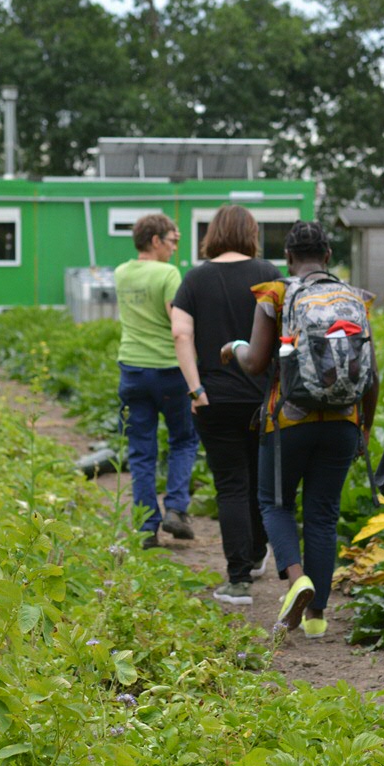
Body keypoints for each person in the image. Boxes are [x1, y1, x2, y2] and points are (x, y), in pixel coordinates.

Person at [221, 221, 377, 639]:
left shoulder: (276, 293)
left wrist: (233, 348)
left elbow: (255, 362)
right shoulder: (355, 299)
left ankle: (297, 581)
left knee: (275, 504)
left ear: (288, 258)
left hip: (288, 418)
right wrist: (363, 429)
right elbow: (372, 375)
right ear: (327, 256)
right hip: (344, 421)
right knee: (323, 516)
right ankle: (317, 617)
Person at [170, 205, 280, 605]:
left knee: (231, 484)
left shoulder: (196, 278)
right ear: (251, 232)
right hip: (262, 398)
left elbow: (181, 335)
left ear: (213, 233)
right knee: (259, 481)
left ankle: (238, 579)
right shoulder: (269, 274)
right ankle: (255, 553)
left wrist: (196, 391)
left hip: (214, 397)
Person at [114, 213, 198, 550]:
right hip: (168, 369)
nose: (175, 249)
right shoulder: (167, 274)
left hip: (132, 369)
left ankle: (147, 526)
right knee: (183, 440)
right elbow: (175, 321)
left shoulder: (121, 273)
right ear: (155, 240)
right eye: (173, 241)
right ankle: (176, 508)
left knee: (141, 450)